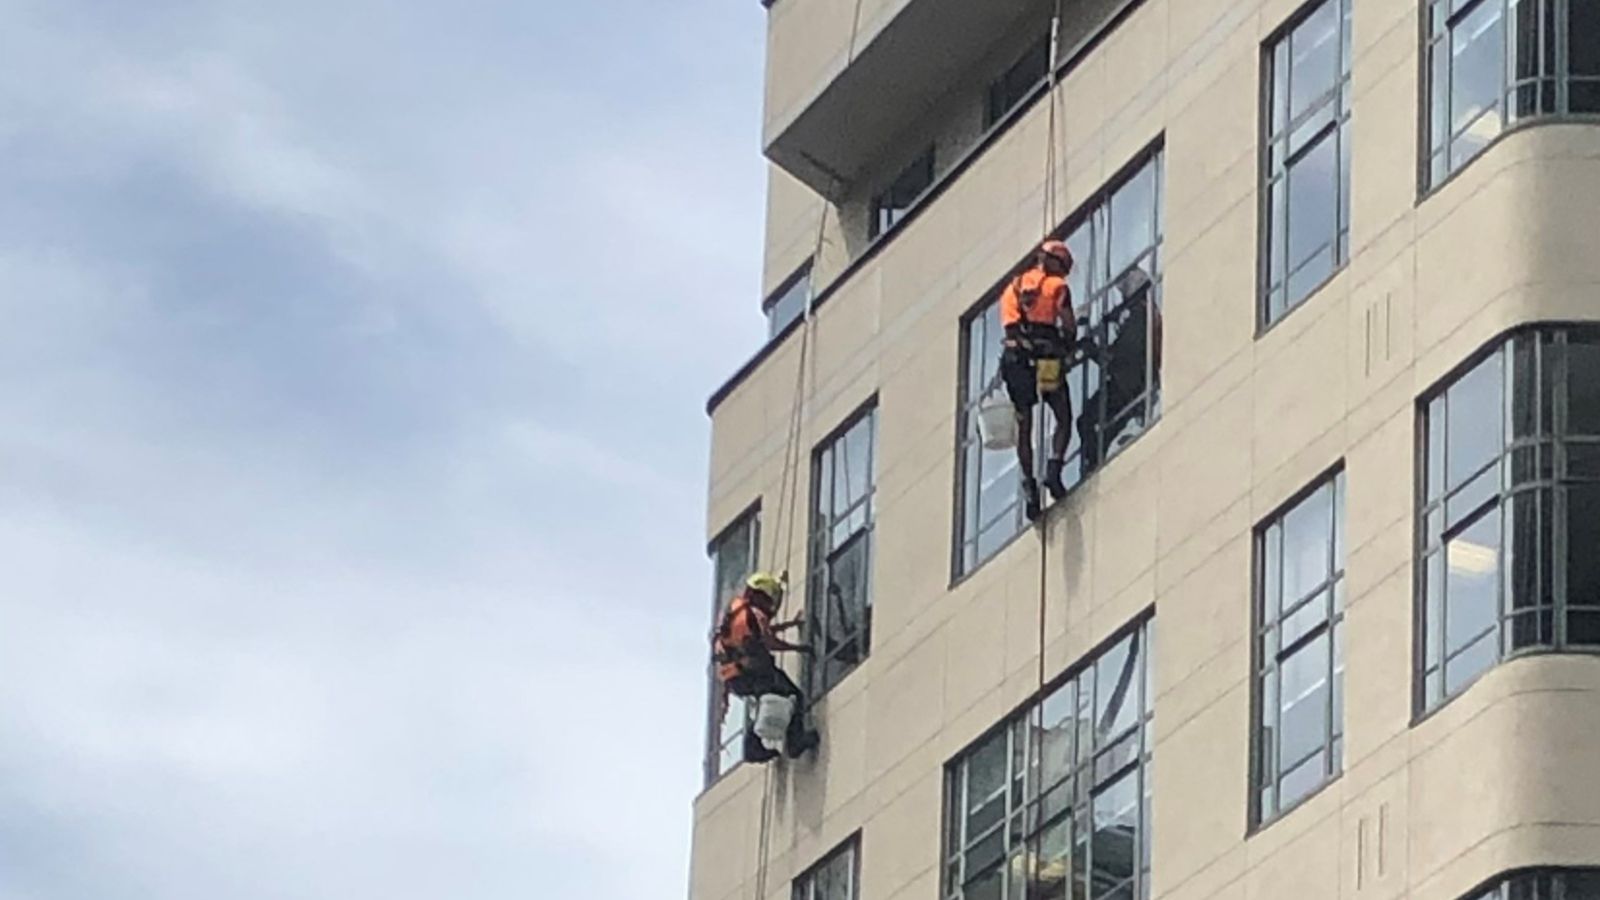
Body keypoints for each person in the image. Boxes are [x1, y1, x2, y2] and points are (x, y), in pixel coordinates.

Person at [999, 238, 1080, 521]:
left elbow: (1009, 327)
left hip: (1017, 361)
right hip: (1046, 360)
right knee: (1063, 416)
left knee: (1025, 425)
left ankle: (1029, 488)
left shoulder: (1013, 288)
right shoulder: (1057, 287)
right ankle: (1054, 470)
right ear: (1055, 264)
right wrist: (1069, 346)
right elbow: (1068, 325)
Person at [713, 572, 821, 762]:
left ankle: (754, 745)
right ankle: (795, 742)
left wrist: (791, 625)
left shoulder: (736, 614)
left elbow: (761, 634)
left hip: (736, 677)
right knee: (794, 695)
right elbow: (769, 641)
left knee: (769, 701)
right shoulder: (753, 614)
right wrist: (798, 648)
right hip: (752, 672)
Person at [1078, 265, 1163, 476]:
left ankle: (1092, 464)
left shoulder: (1140, 320)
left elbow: (1117, 359)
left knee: (1087, 419)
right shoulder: (1146, 316)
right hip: (1135, 383)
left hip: (1129, 385)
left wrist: (1093, 350)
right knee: (1105, 430)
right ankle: (1096, 462)